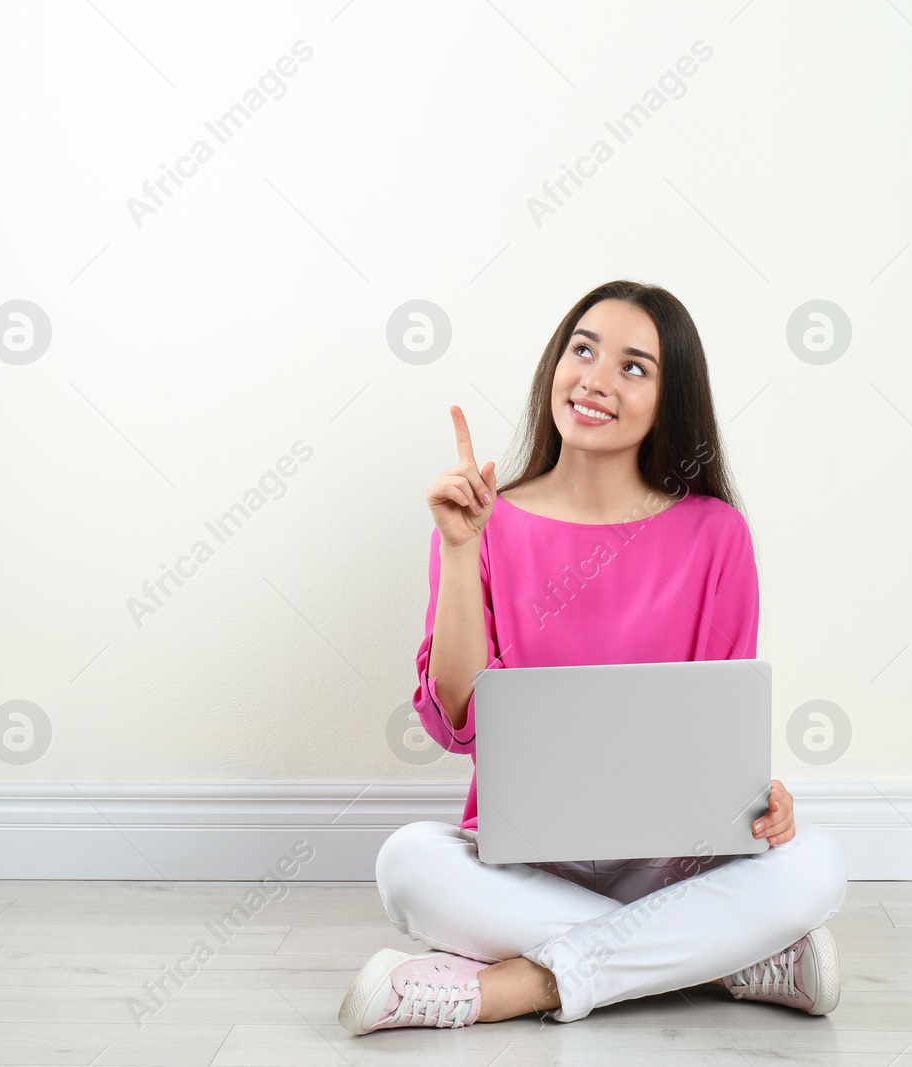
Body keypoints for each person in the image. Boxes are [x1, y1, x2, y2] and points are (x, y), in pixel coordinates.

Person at [338, 280, 849, 1036]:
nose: (596, 379)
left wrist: (757, 797)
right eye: (583, 349)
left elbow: (716, 725)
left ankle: (509, 987)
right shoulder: (489, 522)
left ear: (670, 401)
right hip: (523, 858)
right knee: (408, 861)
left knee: (818, 864)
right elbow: (456, 720)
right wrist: (458, 548)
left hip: (669, 860)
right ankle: (724, 957)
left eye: (634, 366)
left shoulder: (715, 534)